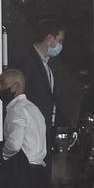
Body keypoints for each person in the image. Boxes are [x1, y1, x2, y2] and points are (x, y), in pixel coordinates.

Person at [11, 18, 63, 159]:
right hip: (30, 134)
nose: (60, 45)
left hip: (43, 132)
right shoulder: (27, 63)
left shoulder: (46, 65)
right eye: (60, 41)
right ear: (49, 38)